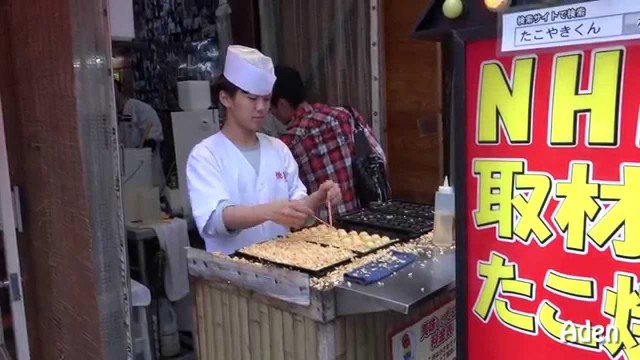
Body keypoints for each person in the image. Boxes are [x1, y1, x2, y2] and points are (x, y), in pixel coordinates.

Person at [186, 45, 341, 254]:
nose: (261, 108)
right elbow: (216, 218)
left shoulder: (278, 148)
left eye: (266, 99)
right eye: (251, 98)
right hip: (233, 276)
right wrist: (268, 212)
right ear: (226, 98)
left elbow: (297, 211)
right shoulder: (205, 155)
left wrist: (318, 198)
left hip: (284, 270)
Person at [272, 65, 387, 220]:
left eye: (273, 111)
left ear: (282, 104)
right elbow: (379, 158)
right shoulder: (346, 115)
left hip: (322, 229)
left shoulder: (288, 143)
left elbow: (290, 197)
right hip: (364, 217)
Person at [114, 80, 165, 187]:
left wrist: (144, 147)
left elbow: (154, 135)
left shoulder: (141, 109)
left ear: (120, 91)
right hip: (126, 168)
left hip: (144, 166)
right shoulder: (113, 113)